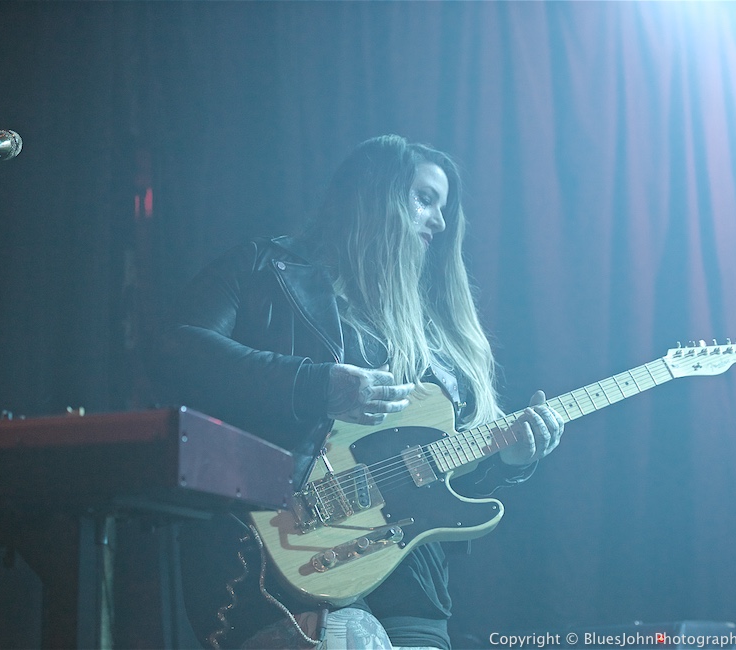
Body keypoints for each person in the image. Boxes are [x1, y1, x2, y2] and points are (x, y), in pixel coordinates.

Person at [160, 134, 564, 650]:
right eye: (424, 199)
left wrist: (510, 457)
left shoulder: (437, 328)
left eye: (445, 208)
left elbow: (437, 462)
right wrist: (316, 384)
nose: (439, 223)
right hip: (278, 554)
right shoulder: (267, 268)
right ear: (376, 195)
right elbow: (177, 351)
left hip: (408, 578)